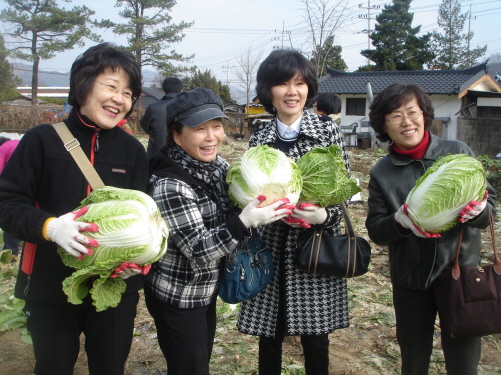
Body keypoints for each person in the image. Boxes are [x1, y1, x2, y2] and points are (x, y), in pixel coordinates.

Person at [0, 42, 149, 375]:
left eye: (128, 93)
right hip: (50, 286)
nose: (119, 99)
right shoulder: (41, 140)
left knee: (109, 367)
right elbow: (7, 203)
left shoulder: (132, 151)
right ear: (83, 85)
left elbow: (146, 219)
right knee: (52, 366)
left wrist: (138, 263)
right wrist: (50, 227)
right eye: (111, 86)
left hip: (113, 286)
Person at [144, 87, 293, 375]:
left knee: (200, 361)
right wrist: (244, 221)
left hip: (206, 291)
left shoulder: (218, 166)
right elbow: (199, 251)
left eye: (216, 126)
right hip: (179, 296)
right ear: (176, 135)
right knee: (189, 367)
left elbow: (237, 205)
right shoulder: (170, 184)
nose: (212, 137)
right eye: (200, 129)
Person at [365, 82, 497, 375]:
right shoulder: (382, 172)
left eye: (412, 112)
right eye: (395, 116)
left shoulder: (457, 152)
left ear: (424, 114)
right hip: (410, 278)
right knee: (413, 361)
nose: (406, 121)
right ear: (384, 125)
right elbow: (375, 229)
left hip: (460, 272)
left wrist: (478, 213)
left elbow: (489, 208)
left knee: (464, 364)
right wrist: (400, 222)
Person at [236, 49, 351, 375]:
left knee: (316, 340)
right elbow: (247, 192)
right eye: (283, 84)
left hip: (314, 251)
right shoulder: (259, 138)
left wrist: (323, 217)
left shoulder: (327, 132)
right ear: (268, 90)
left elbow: (341, 197)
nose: (292, 91)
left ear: (309, 88)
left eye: (300, 83)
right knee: (268, 337)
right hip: (269, 248)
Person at [140, 76, 183, 160]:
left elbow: (145, 126)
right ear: (181, 90)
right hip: (181, 156)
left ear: (164, 91)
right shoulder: (187, 107)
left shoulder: (153, 108)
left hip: (156, 156)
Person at [0, 136, 20, 256]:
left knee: (9, 214)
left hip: (15, 186)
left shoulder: (3, 148)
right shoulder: (18, 142)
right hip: (32, 184)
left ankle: (10, 251)